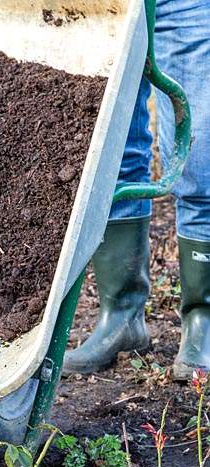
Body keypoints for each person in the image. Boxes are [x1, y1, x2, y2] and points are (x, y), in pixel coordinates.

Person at [63, 0, 210, 380]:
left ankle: (202, 323)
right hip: (106, 4)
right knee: (113, 152)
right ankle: (121, 318)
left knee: (199, 158)